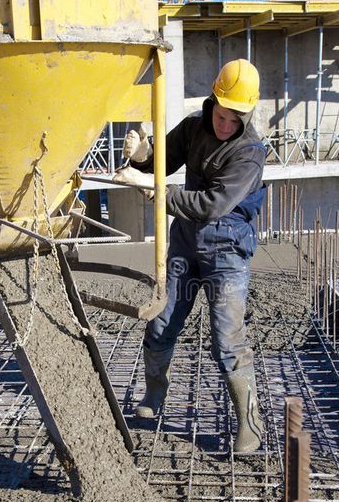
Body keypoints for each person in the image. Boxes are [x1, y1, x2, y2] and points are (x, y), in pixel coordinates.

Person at [113, 58, 267, 453]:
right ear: (213, 100)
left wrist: (154, 191)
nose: (226, 124)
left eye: (236, 119)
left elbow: (213, 203)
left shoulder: (250, 152)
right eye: (222, 114)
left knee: (227, 339)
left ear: (245, 117)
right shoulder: (194, 128)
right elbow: (161, 162)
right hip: (184, 242)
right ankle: (153, 397)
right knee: (161, 323)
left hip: (226, 251)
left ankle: (249, 425)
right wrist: (143, 155)